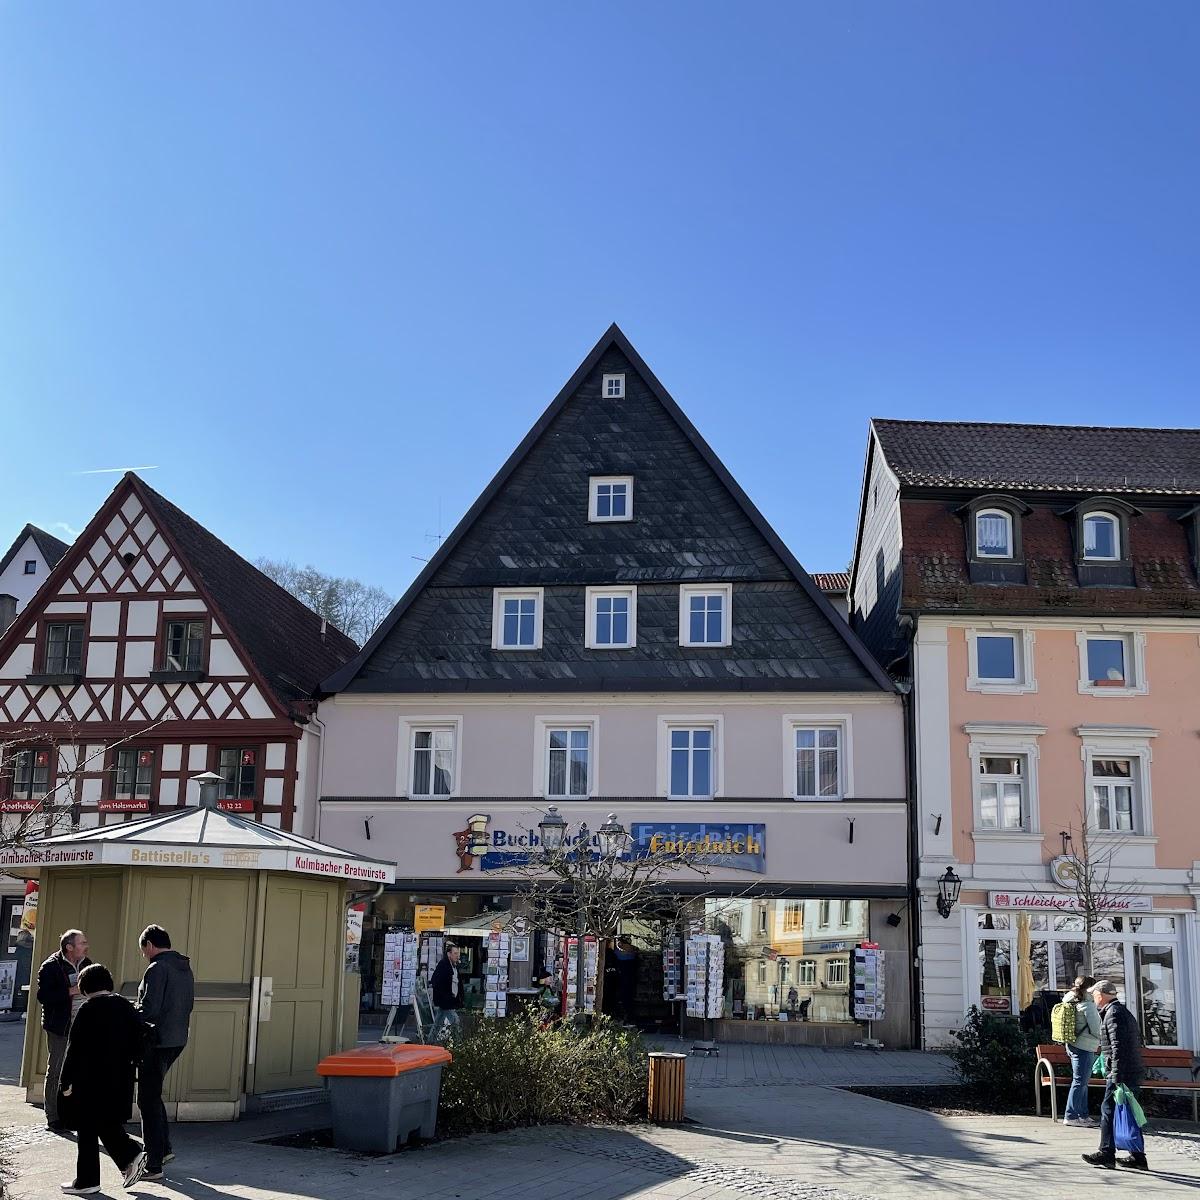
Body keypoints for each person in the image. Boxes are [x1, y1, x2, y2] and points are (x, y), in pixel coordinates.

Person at [57, 963, 147, 1194]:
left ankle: (94, 1177)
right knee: (104, 1124)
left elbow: (74, 1049)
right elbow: (140, 1041)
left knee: (87, 1127)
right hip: (120, 1077)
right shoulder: (124, 1006)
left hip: (90, 1081)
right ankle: (122, 1163)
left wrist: (65, 1082)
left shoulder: (88, 1009)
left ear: (84, 987)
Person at [135, 925, 195, 1182]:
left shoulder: (157, 968)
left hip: (155, 1041)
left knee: (147, 1099)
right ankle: (165, 1149)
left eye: (143, 951)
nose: (144, 955)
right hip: (176, 1038)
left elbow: (149, 1009)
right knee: (153, 1094)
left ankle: (153, 1163)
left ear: (149, 945)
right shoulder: (184, 967)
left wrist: (129, 1012)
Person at [1082, 980, 1148, 1172]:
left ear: (1101, 995)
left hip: (1121, 1072)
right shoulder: (1121, 1012)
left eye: (1094, 995)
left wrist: (1116, 1074)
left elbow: (1119, 1047)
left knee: (1108, 1110)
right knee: (1129, 1112)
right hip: (1129, 1070)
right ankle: (1137, 1157)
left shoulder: (1113, 1014)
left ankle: (1106, 1153)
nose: (1093, 999)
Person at [37, 929, 92, 1132]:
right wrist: (72, 991)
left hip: (83, 1028)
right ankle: (54, 1117)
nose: (86, 946)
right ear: (69, 947)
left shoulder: (87, 964)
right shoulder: (51, 966)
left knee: (79, 1071)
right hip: (60, 1027)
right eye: (82, 943)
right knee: (57, 1071)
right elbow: (44, 996)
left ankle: (73, 1113)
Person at [1061, 974, 1102, 1128]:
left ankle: (1083, 1115)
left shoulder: (1069, 1001)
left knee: (1082, 1081)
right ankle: (1071, 1115)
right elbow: (1096, 1029)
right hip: (1084, 1046)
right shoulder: (1088, 1005)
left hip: (1072, 1044)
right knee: (1080, 1081)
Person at [430, 941, 464, 1040]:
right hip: (446, 1001)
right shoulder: (443, 965)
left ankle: (429, 1042)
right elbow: (436, 981)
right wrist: (445, 996)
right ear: (449, 954)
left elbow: (456, 984)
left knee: (437, 1023)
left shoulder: (454, 966)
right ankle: (460, 1045)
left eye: (458, 953)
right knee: (455, 1022)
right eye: (455, 953)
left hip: (448, 1001)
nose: (457, 956)